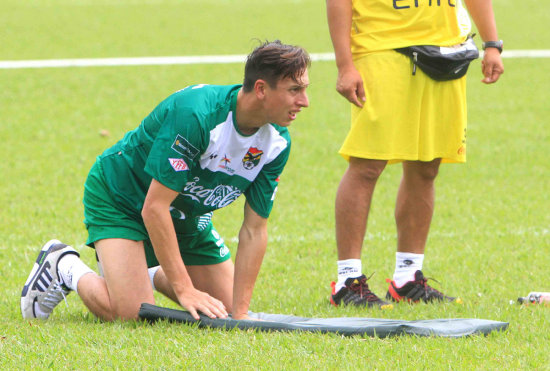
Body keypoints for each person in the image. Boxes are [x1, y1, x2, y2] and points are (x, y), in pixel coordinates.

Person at [21, 40, 310, 321]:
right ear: (261, 89)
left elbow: (254, 230)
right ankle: (64, 265)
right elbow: (154, 207)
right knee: (131, 312)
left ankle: (136, 269)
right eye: (295, 90)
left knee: (225, 311)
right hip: (124, 196)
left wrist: (242, 313)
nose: (304, 101)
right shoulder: (197, 115)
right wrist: (183, 289)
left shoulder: (276, 143)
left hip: (186, 214)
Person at [326, 0, 504, 308]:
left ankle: (407, 278)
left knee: (427, 165)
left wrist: (491, 43)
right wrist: (345, 64)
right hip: (382, 49)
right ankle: (347, 280)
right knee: (367, 163)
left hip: (446, 51)